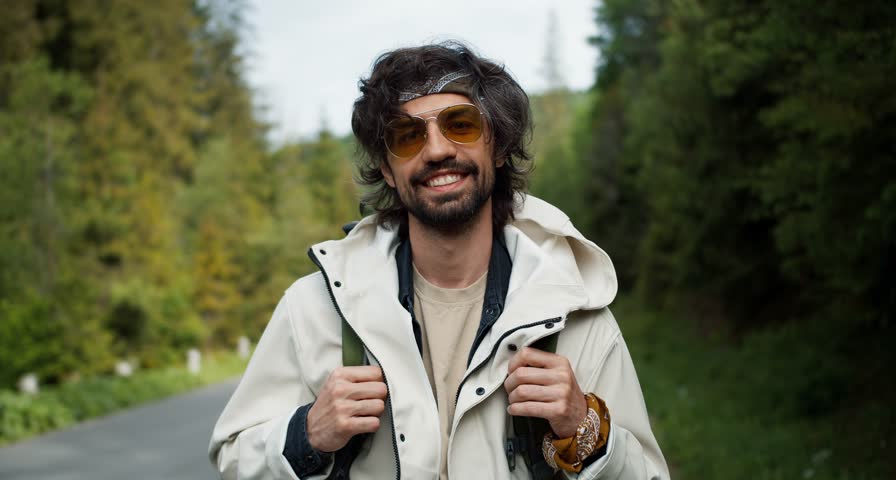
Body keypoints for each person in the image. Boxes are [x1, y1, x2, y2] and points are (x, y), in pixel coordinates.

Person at [209, 41, 669, 480]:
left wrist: (583, 426)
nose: (436, 150)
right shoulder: (313, 309)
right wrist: (308, 436)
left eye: (461, 124)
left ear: (499, 145)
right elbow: (234, 460)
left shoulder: (576, 314)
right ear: (387, 169)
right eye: (408, 136)